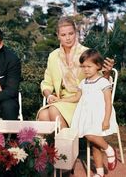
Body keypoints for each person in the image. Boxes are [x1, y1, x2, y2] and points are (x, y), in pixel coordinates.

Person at [37, 16, 114, 129]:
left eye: (71, 33)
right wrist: (49, 96)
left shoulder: (86, 53)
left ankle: (68, 145)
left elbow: (100, 81)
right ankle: (47, 146)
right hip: (62, 100)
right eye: (63, 35)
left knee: (53, 110)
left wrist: (107, 73)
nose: (68, 38)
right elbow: (47, 83)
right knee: (43, 115)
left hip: (83, 100)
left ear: (76, 33)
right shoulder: (53, 56)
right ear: (58, 36)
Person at [60, 49, 118, 177]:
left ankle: (109, 149)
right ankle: (100, 172)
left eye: (89, 66)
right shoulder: (83, 83)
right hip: (86, 116)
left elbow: (108, 102)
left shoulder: (103, 82)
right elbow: (76, 97)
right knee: (95, 146)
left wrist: (106, 120)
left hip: (98, 115)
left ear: (98, 66)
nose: (86, 69)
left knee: (90, 135)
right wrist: (61, 100)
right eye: (83, 67)